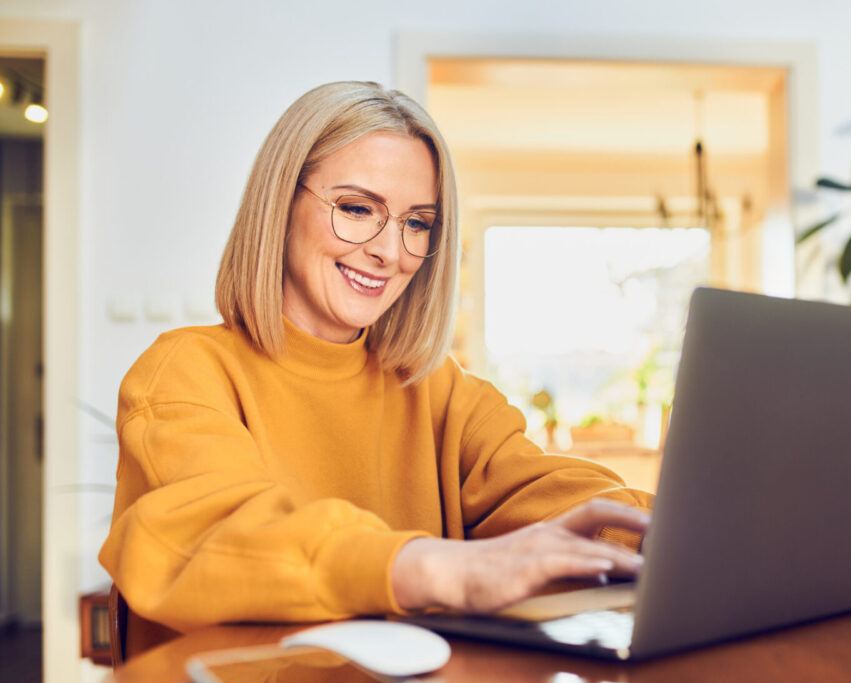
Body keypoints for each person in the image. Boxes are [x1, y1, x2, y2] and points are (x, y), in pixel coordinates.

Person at [99, 81, 652, 652]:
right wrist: (435, 569)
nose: (391, 251)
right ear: (280, 205)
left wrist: (668, 534)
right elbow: (221, 533)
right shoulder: (186, 372)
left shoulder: (438, 390)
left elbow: (551, 491)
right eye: (358, 209)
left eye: (417, 223)